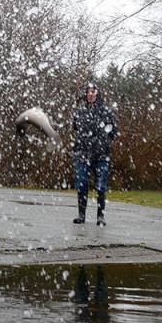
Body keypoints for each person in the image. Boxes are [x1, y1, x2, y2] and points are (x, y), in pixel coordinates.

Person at [72, 81, 118, 226]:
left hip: (101, 155)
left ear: (98, 93)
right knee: (82, 184)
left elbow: (113, 132)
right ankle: (81, 215)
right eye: (88, 91)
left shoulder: (106, 112)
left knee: (101, 186)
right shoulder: (79, 112)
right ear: (85, 94)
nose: (91, 94)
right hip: (82, 154)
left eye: (93, 91)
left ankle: (100, 216)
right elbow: (75, 128)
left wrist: (103, 142)